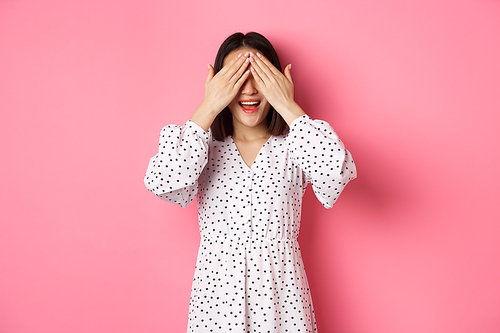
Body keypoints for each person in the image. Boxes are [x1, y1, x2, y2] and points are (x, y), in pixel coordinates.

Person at [144, 32, 356, 333]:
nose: (249, 89)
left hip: (283, 300)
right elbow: (163, 183)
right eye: (235, 77)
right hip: (216, 301)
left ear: (280, 79)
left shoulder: (296, 146)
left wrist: (289, 106)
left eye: (260, 76)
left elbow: (335, 174)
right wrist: (208, 106)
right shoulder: (201, 148)